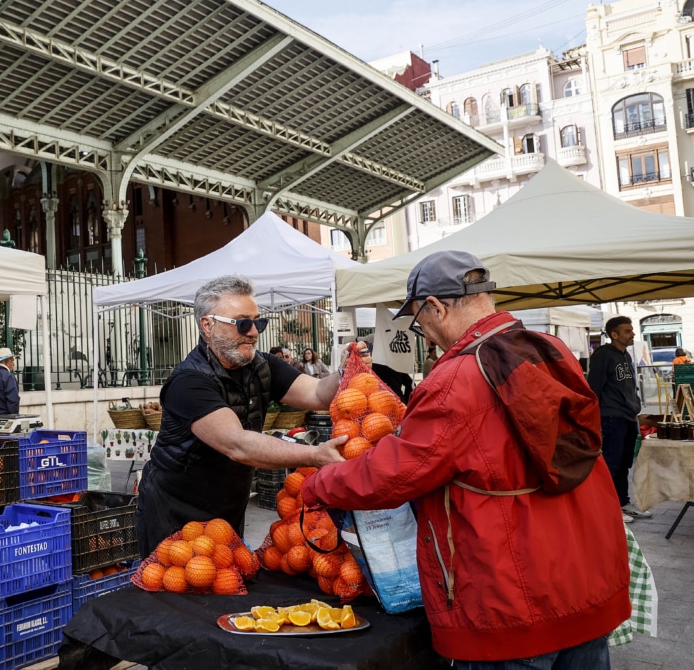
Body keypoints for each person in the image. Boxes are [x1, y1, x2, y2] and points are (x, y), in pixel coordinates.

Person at [301, 251, 629, 669]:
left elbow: (394, 475)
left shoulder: (457, 379)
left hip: (512, 601)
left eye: (421, 323)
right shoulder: (552, 349)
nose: (427, 334)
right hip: (587, 581)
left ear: (435, 306)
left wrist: (318, 483)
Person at [134, 275, 359, 557]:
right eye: (243, 323)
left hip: (227, 507)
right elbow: (237, 444)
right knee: (178, 591)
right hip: (175, 512)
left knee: (227, 585)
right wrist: (315, 454)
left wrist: (346, 371)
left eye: (258, 322)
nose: (254, 332)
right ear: (207, 325)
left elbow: (316, 394)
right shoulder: (188, 382)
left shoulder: (263, 365)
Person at [587, 316, 650, 523]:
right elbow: (593, 388)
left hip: (628, 416)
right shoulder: (603, 355)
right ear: (614, 334)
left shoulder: (625, 356)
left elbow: (629, 387)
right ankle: (610, 508)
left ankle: (623, 503)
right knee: (612, 464)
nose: (632, 334)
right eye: (627, 331)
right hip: (611, 417)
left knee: (624, 463)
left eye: (632, 330)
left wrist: (636, 406)